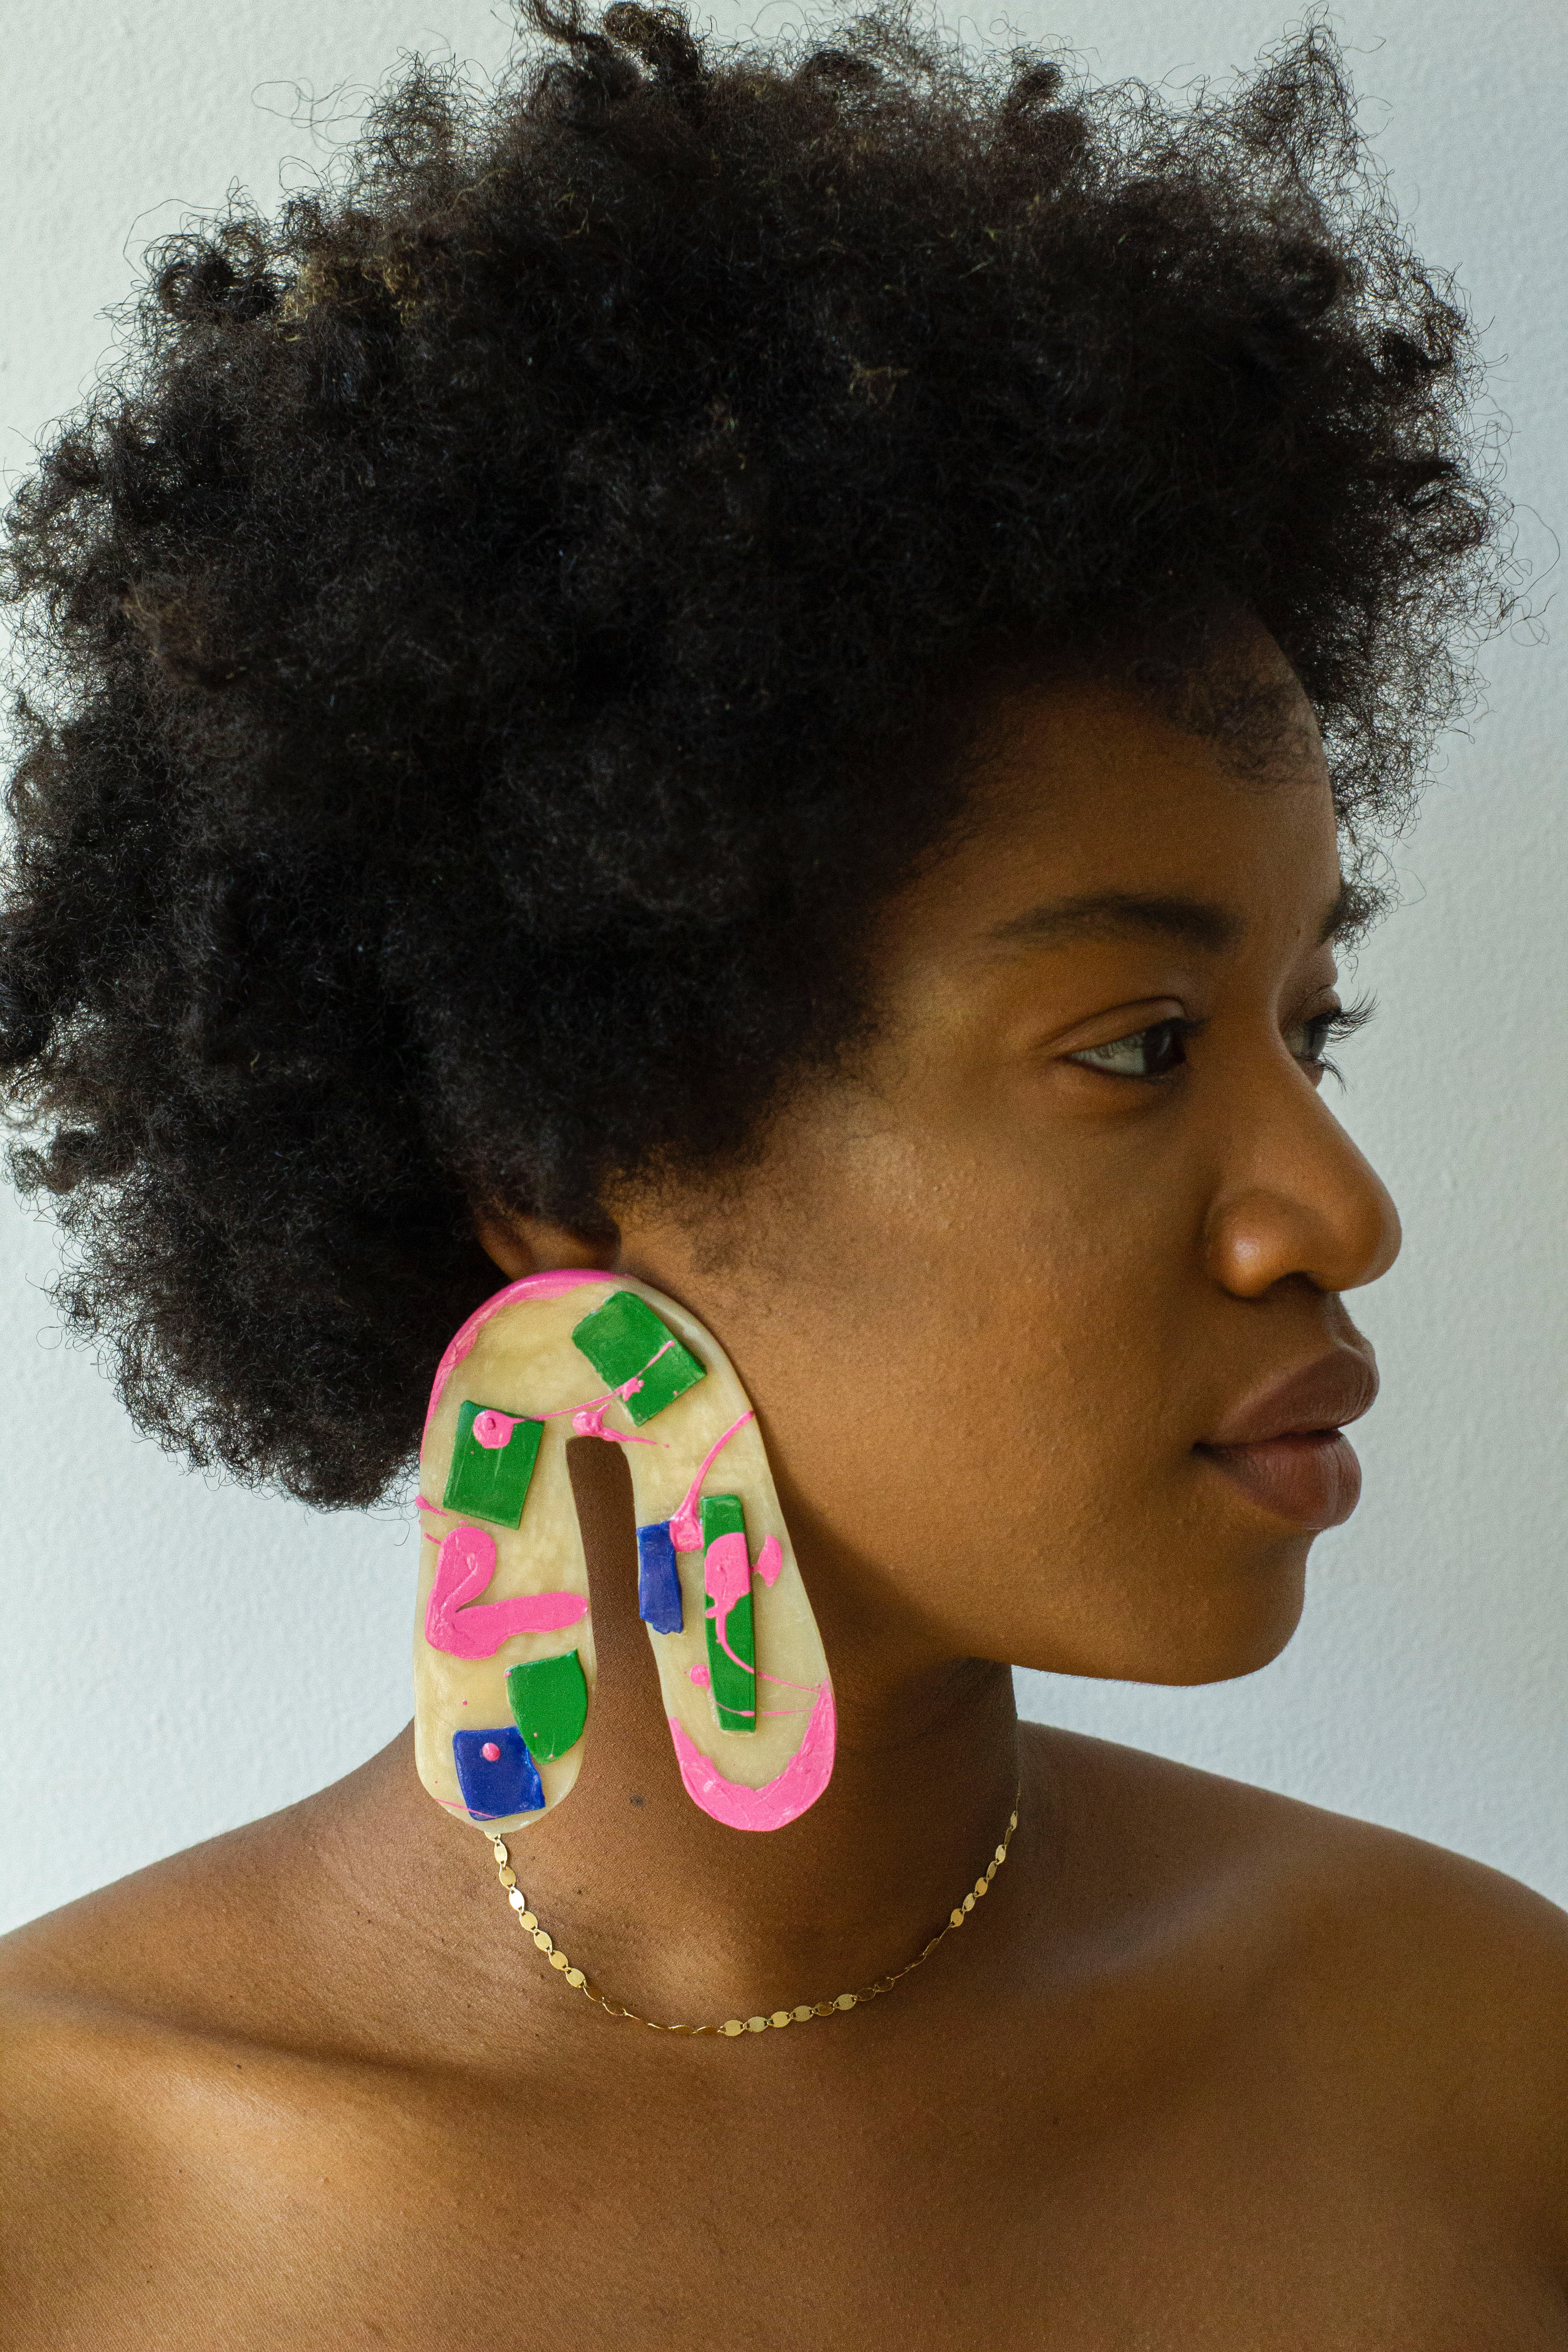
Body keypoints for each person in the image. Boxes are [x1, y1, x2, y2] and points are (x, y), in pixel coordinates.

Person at [1, 5, 1564, 2341]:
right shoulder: (62, 2198)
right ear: (567, 1156)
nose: (1336, 1214)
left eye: (1305, 1023)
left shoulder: (1488, 2071)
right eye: (1138, 1046)